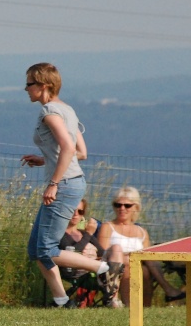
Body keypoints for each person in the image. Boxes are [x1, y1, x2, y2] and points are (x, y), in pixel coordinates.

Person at [20, 62, 122, 308]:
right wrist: (45, 159)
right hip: (72, 182)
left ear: (44, 85)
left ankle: (104, 268)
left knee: (47, 250)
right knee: (36, 249)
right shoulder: (68, 110)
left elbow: (68, 148)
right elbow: (81, 152)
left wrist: (53, 183)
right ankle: (62, 301)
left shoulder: (50, 113)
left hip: (64, 185)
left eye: (29, 84)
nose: (25, 89)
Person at [97, 186, 186, 307]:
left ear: (136, 207)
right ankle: (123, 301)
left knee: (145, 266)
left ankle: (144, 307)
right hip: (112, 270)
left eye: (127, 205)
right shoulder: (107, 227)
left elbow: (147, 256)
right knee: (130, 262)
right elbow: (102, 254)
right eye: (118, 205)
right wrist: (129, 257)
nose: (122, 208)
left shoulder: (141, 232)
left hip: (136, 266)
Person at [59, 198, 125, 307]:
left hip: (95, 272)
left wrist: (93, 255)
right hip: (76, 273)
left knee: (116, 248)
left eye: (80, 211)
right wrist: (89, 234)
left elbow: (102, 252)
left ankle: (111, 297)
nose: (76, 214)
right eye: (72, 210)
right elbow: (71, 251)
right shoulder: (61, 234)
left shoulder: (82, 233)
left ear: (83, 215)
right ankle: (111, 298)